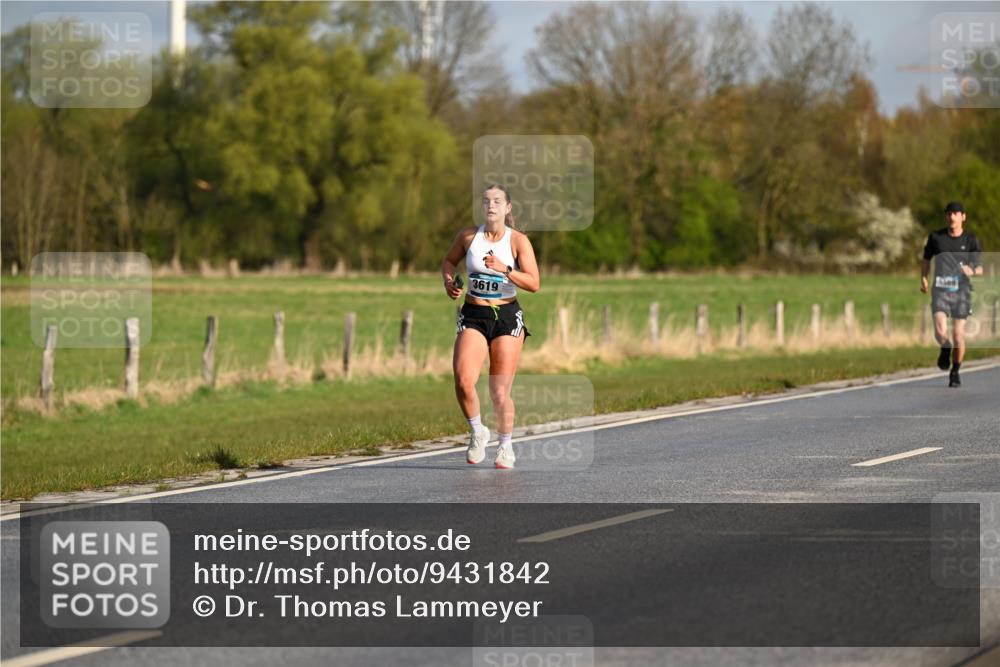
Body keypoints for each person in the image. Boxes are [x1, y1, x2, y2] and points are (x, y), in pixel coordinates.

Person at [441, 185, 540, 469]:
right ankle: (477, 430)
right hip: (473, 313)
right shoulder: (468, 236)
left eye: (497, 201)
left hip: (507, 317)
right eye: (486, 201)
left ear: (508, 208)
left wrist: (505, 269)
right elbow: (449, 262)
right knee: (462, 379)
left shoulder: (518, 241)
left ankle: (506, 445)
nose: (491, 205)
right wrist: (449, 282)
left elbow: (534, 283)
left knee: (499, 391)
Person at [921, 201, 983, 387]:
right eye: (949, 213)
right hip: (940, 289)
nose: (952, 217)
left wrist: (973, 271)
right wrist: (923, 277)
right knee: (940, 332)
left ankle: (955, 370)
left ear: (963, 217)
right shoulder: (936, 238)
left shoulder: (971, 240)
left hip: (962, 292)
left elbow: (979, 267)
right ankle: (945, 347)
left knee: (958, 335)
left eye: (956, 213)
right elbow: (926, 258)